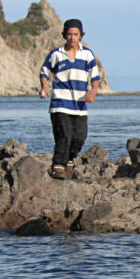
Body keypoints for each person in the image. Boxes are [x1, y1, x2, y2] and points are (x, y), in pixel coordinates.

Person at [38, 18, 100, 179]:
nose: (72, 37)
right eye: (70, 34)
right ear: (65, 35)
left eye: (76, 34)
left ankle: (69, 160)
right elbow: (44, 71)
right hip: (60, 102)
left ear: (81, 35)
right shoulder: (56, 54)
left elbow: (95, 77)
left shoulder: (87, 54)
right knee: (64, 135)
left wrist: (93, 91)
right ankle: (58, 165)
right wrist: (44, 87)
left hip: (79, 104)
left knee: (80, 137)